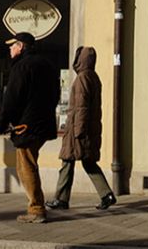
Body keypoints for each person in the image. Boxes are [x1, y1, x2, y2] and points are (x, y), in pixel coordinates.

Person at [0, 31, 60, 224]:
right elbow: (56, 94)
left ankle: (36, 209)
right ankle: (36, 206)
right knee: (30, 163)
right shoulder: (47, 65)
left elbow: (11, 100)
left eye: (12, 45)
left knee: (26, 166)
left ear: (21, 46)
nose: (9, 48)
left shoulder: (21, 67)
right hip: (43, 123)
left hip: (26, 126)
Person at [46, 46, 117, 211]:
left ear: (81, 60)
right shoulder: (93, 77)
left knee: (68, 161)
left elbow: (81, 108)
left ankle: (61, 199)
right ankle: (106, 194)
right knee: (88, 162)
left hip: (78, 129)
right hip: (88, 128)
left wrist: (78, 131)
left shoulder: (82, 79)